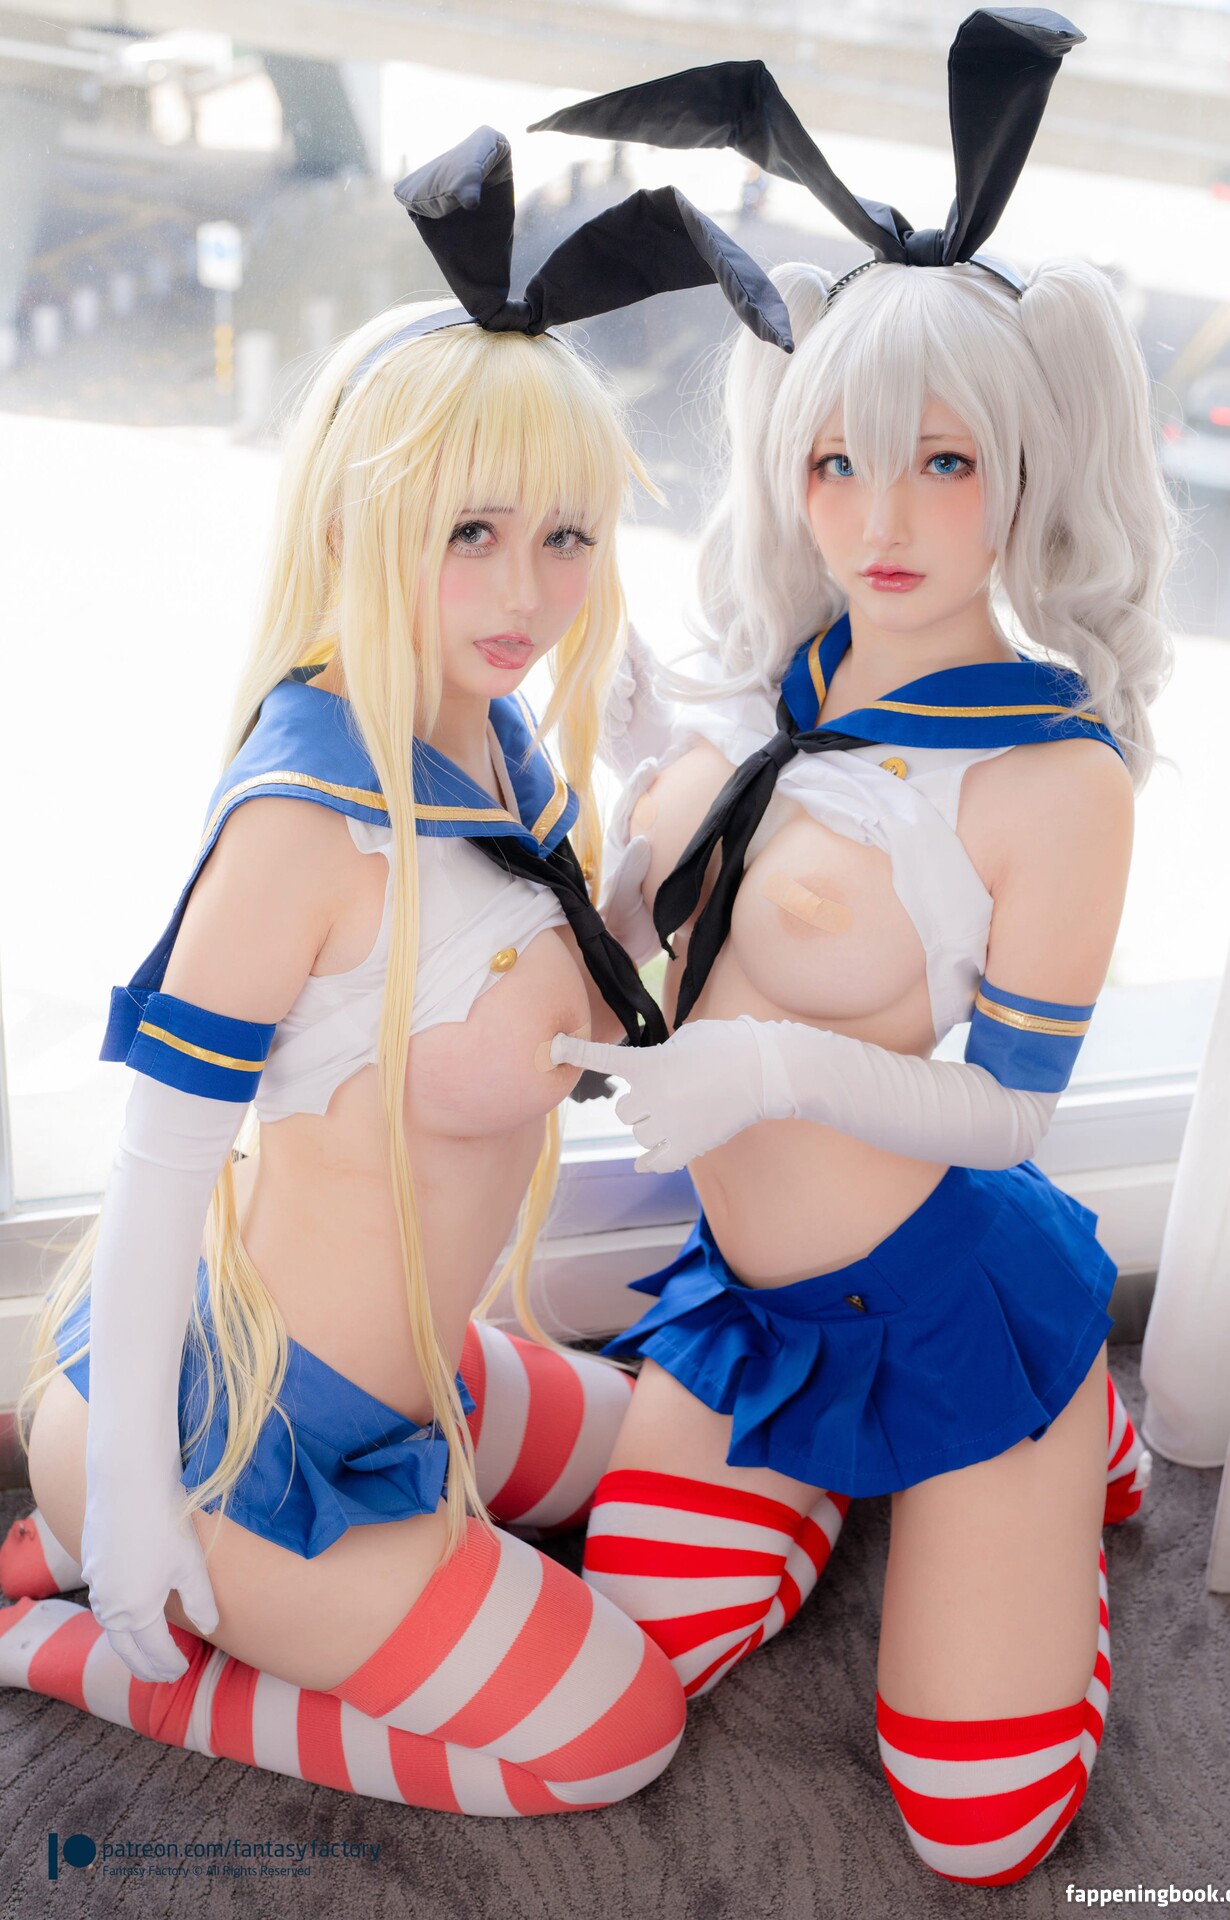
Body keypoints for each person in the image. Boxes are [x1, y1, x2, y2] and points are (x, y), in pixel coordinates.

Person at [0, 126, 791, 1813]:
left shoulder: (494, 742)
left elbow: (557, 969)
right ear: (367, 522)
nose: (528, 591)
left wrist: (666, 802)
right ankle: (81, 1634)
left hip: (410, 1382)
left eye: (567, 537)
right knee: (616, 1735)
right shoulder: (302, 826)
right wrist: (131, 1498)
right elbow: (158, 1178)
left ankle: (140, 1561)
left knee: (698, 1440)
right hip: (250, 1448)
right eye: (471, 533)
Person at [540, 25, 1170, 1884]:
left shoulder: (1055, 781)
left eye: (941, 463)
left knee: (981, 1831)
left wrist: (773, 1068)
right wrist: (625, 803)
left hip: (948, 1302)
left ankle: (1067, 1434)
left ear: (1024, 470)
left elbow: (1012, 1114)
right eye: (836, 462)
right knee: (640, 1644)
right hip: (752, 1300)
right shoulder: (763, 689)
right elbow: (659, 933)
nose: (878, 522)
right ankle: (825, 1474)